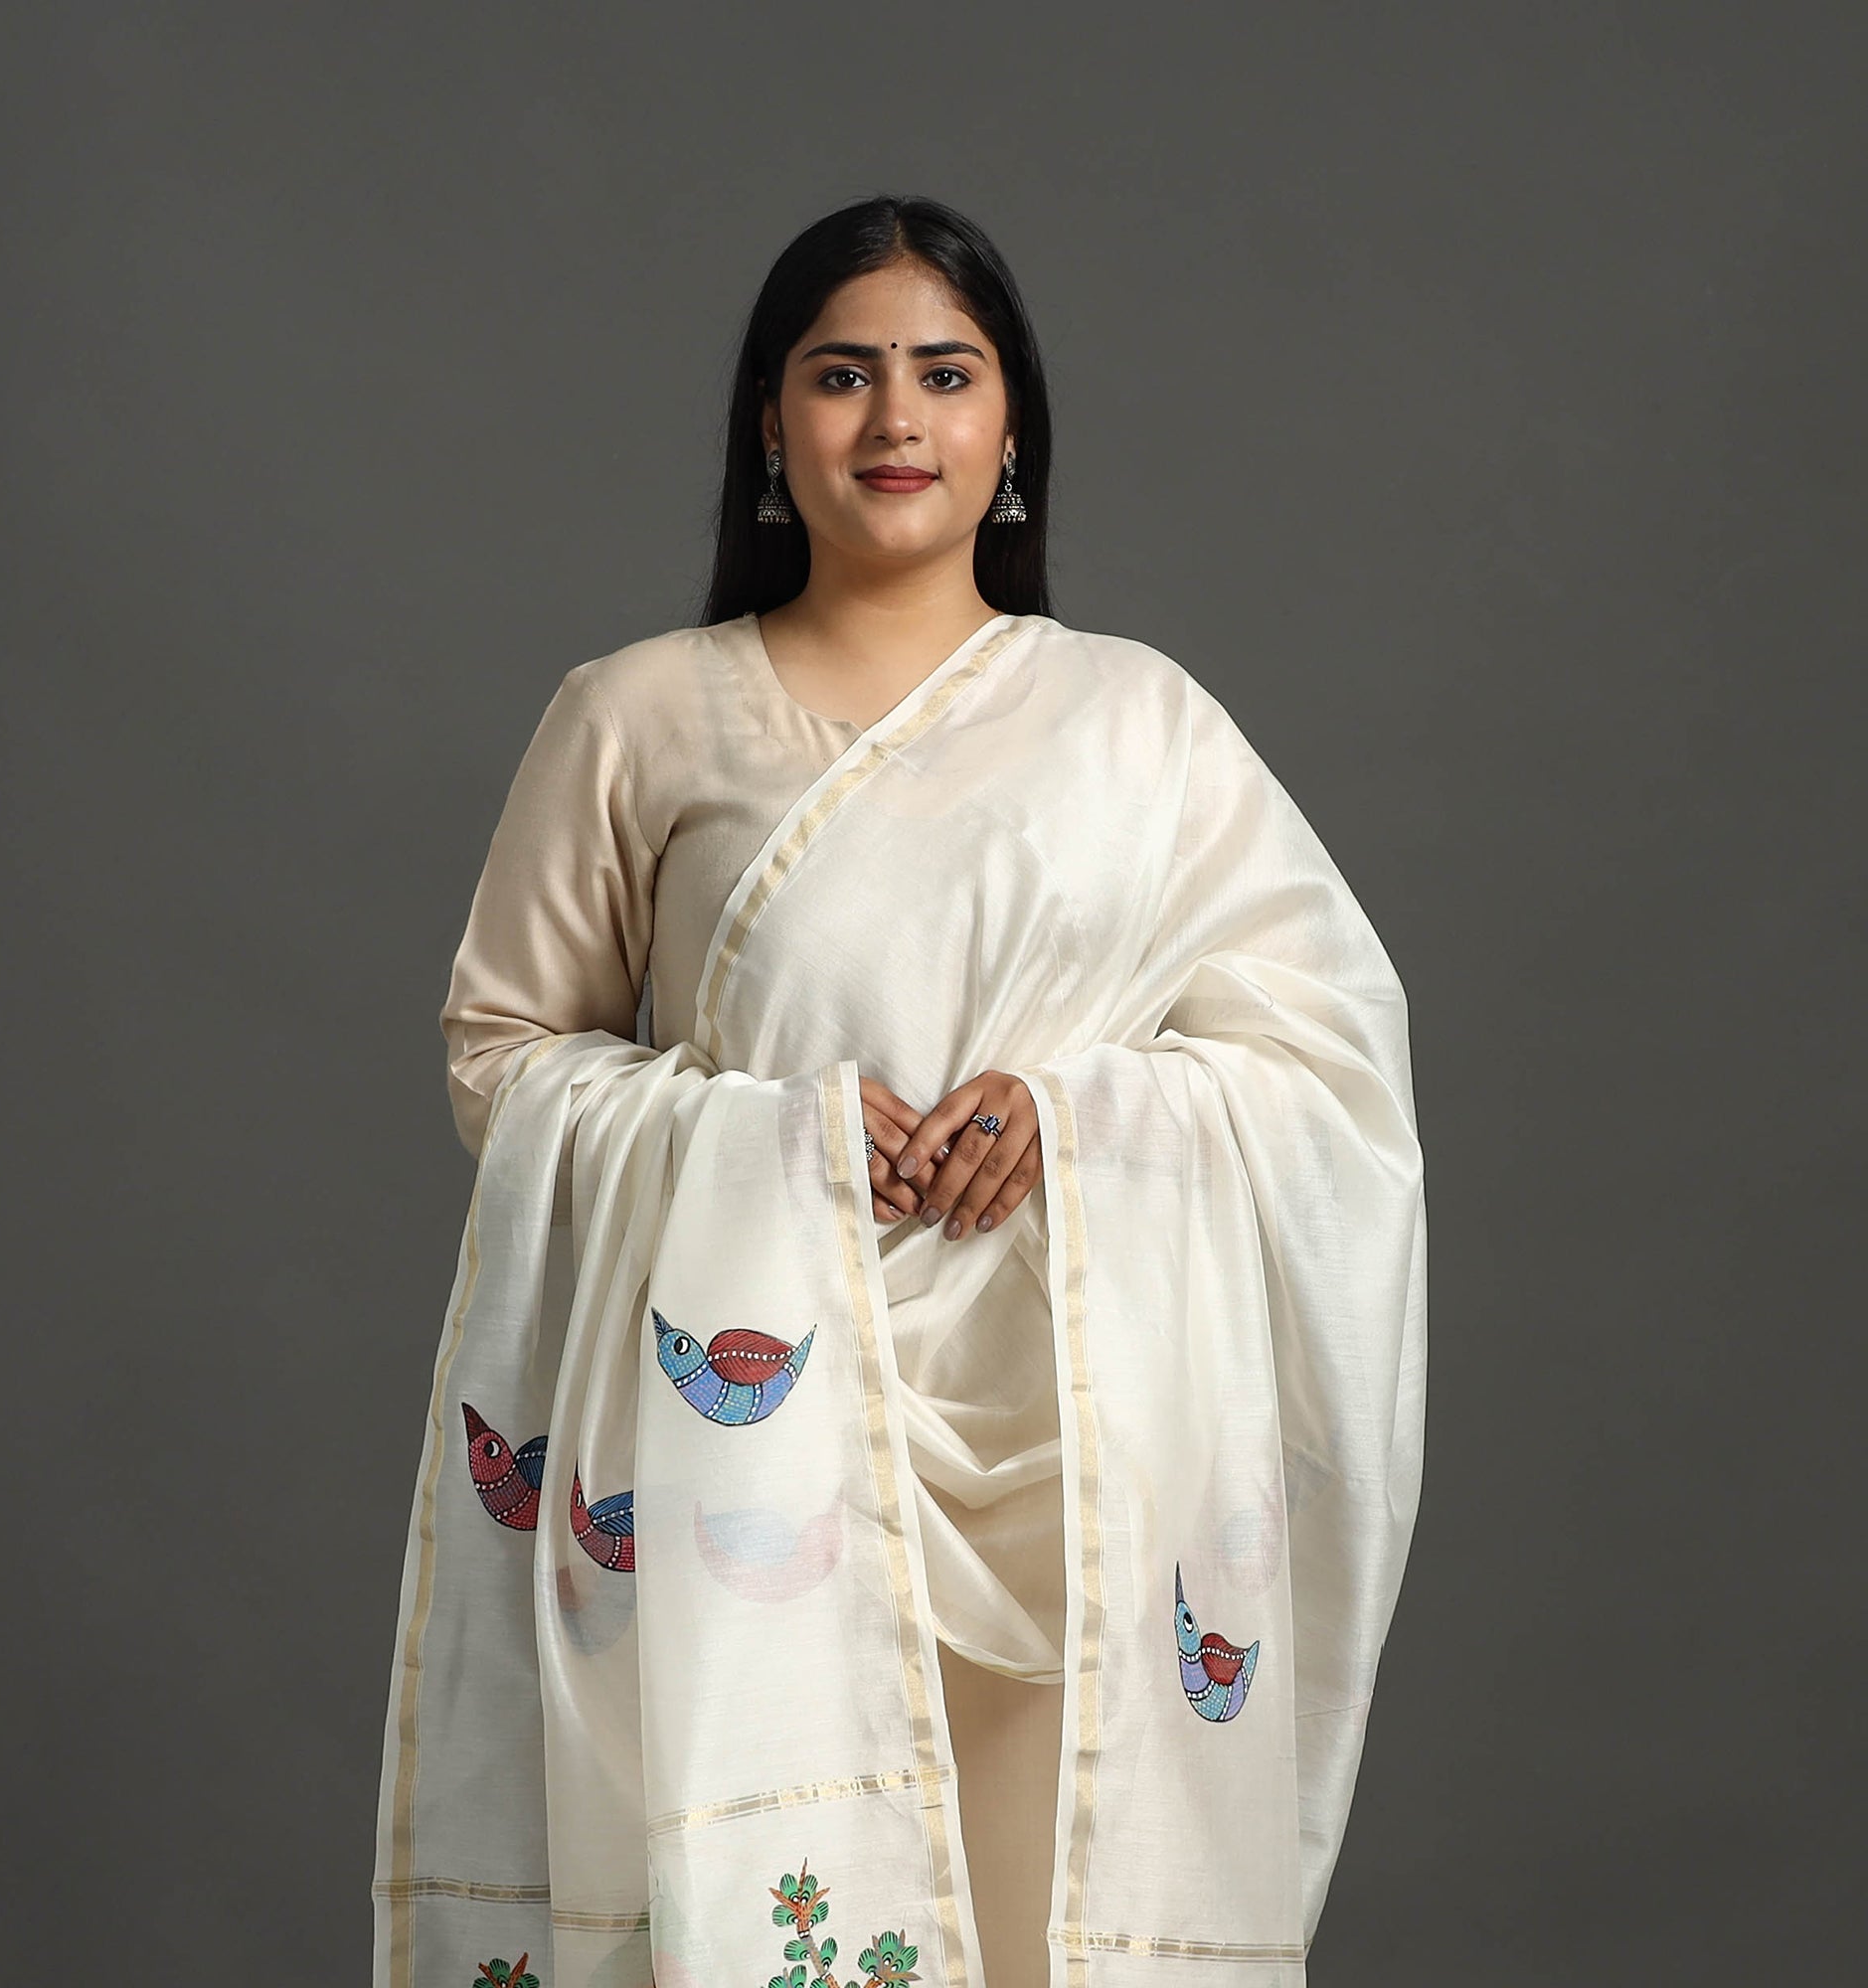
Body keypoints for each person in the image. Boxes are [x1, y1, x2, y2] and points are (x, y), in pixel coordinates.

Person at [377, 195, 1428, 1988]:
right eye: (841, 374)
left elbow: (1322, 1058)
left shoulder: (1143, 723)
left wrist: (1077, 1120)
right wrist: (759, 1141)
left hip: (1084, 1464)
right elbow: (505, 1049)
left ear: (1012, 429)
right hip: (751, 1466)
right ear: (770, 423)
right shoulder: (640, 715)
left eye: (946, 375)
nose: (895, 421)